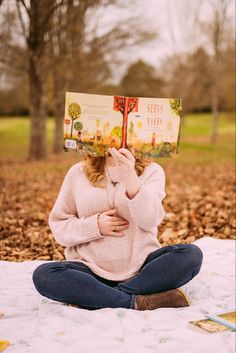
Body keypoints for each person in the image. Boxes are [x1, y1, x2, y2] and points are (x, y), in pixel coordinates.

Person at [32, 147, 203, 310]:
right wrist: (95, 225)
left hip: (142, 268)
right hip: (89, 268)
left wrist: (130, 175)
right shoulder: (77, 172)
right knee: (44, 275)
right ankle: (136, 302)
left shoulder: (152, 171)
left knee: (191, 255)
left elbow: (150, 220)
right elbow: (59, 225)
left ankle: (96, 296)